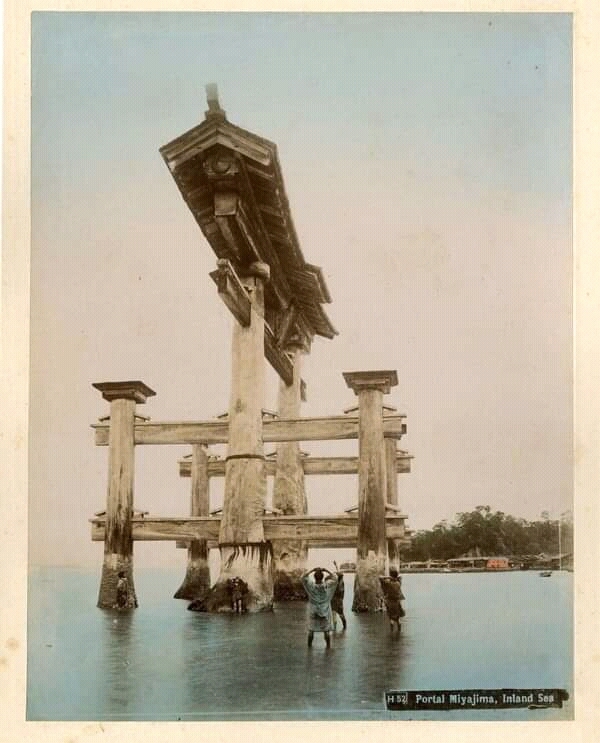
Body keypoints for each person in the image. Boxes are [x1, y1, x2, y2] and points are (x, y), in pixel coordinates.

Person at [301, 567, 338, 648]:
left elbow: (303, 578)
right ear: (322, 577)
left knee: (311, 631)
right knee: (326, 631)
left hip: (313, 611)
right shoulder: (326, 586)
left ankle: (309, 649)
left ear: (314, 577)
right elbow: (335, 579)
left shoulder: (311, 586)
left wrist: (312, 570)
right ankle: (328, 648)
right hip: (325, 611)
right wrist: (326, 570)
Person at [378, 568, 405, 633]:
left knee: (391, 619)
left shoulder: (388, 583)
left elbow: (380, 577)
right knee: (398, 619)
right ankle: (399, 632)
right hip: (397, 602)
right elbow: (400, 577)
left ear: (391, 576)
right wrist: (394, 577)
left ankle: (391, 632)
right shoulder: (398, 583)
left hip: (390, 602)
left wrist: (388, 577)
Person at [331, 563, 347, 631]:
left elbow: (338, 591)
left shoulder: (338, 584)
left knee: (335, 614)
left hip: (335, 600)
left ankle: (335, 628)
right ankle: (344, 627)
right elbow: (339, 573)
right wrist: (336, 565)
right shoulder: (341, 582)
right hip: (338, 601)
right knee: (341, 615)